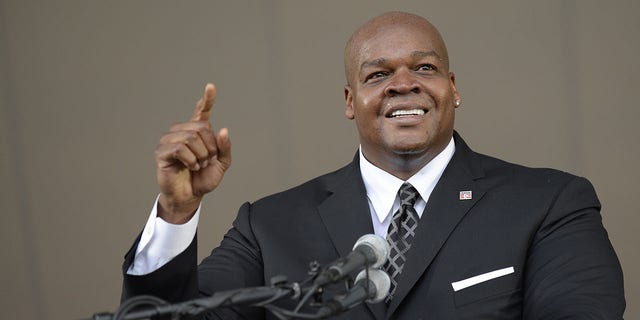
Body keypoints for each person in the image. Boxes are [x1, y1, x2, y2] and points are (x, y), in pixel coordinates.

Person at [121, 11, 625, 319]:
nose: (402, 83)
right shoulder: (269, 227)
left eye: (424, 68)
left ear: (454, 88)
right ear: (349, 100)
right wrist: (175, 211)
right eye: (378, 73)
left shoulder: (549, 203)